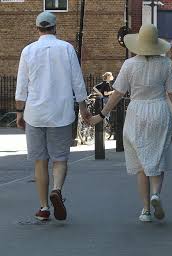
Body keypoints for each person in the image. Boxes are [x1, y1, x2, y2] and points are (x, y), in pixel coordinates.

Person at [89, 24, 172, 222]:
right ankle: (156, 193)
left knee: (141, 164)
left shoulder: (129, 65)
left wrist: (102, 115)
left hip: (137, 112)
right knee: (158, 156)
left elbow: (117, 94)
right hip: (159, 109)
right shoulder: (166, 64)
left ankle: (146, 210)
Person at [15, 11, 90, 221]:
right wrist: (83, 107)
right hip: (61, 112)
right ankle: (57, 189)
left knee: (40, 161)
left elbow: (22, 85)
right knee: (59, 158)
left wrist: (19, 112)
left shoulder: (27, 51)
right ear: (55, 28)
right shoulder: (66, 48)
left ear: (37, 28)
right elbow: (77, 80)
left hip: (34, 113)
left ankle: (44, 207)